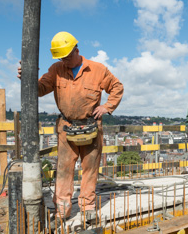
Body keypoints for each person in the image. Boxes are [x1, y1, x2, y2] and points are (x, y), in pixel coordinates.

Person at [18, 31, 124, 223]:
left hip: (91, 127)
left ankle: (88, 207)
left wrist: (107, 107)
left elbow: (117, 87)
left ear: (76, 50)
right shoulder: (56, 69)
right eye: (61, 58)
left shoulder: (97, 69)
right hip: (66, 128)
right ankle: (62, 211)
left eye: (67, 56)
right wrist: (27, 79)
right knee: (64, 169)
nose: (64, 61)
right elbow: (40, 89)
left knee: (90, 169)